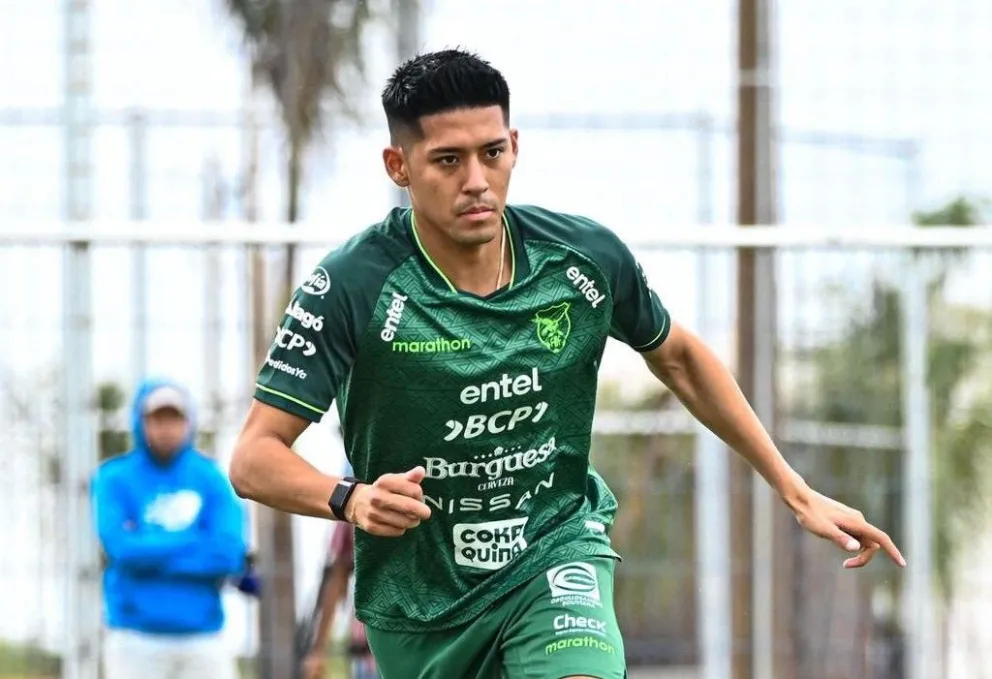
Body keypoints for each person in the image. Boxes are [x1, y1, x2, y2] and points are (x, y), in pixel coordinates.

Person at [229, 49, 906, 679]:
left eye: (492, 153)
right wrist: (353, 498)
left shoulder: (581, 258)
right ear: (398, 166)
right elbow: (254, 457)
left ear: (514, 148)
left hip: (553, 551)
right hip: (419, 601)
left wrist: (795, 488)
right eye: (447, 161)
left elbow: (678, 356)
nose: (476, 181)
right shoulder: (353, 283)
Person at [92, 378, 248, 679]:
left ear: (188, 422)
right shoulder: (113, 478)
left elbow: (228, 553)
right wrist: (194, 539)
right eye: (157, 418)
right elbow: (121, 549)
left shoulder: (211, 477)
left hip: (202, 635)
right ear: (140, 422)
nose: (166, 428)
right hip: (134, 637)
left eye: (174, 418)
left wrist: (150, 546)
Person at [301, 520, 379, 679]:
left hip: (417, 645)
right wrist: (318, 651)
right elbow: (337, 579)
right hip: (367, 652)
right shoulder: (351, 505)